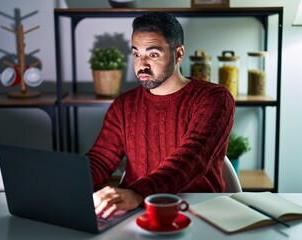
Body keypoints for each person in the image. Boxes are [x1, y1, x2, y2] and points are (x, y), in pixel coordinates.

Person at [86, 11, 235, 218]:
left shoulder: (214, 99)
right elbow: (100, 160)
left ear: (179, 54)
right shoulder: (124, 104)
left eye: (153, 54)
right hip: (138, 212)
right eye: (136, 54)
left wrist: (137, 193)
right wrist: (72, 186)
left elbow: (191, 160)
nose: (142, 65)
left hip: (198, 211)